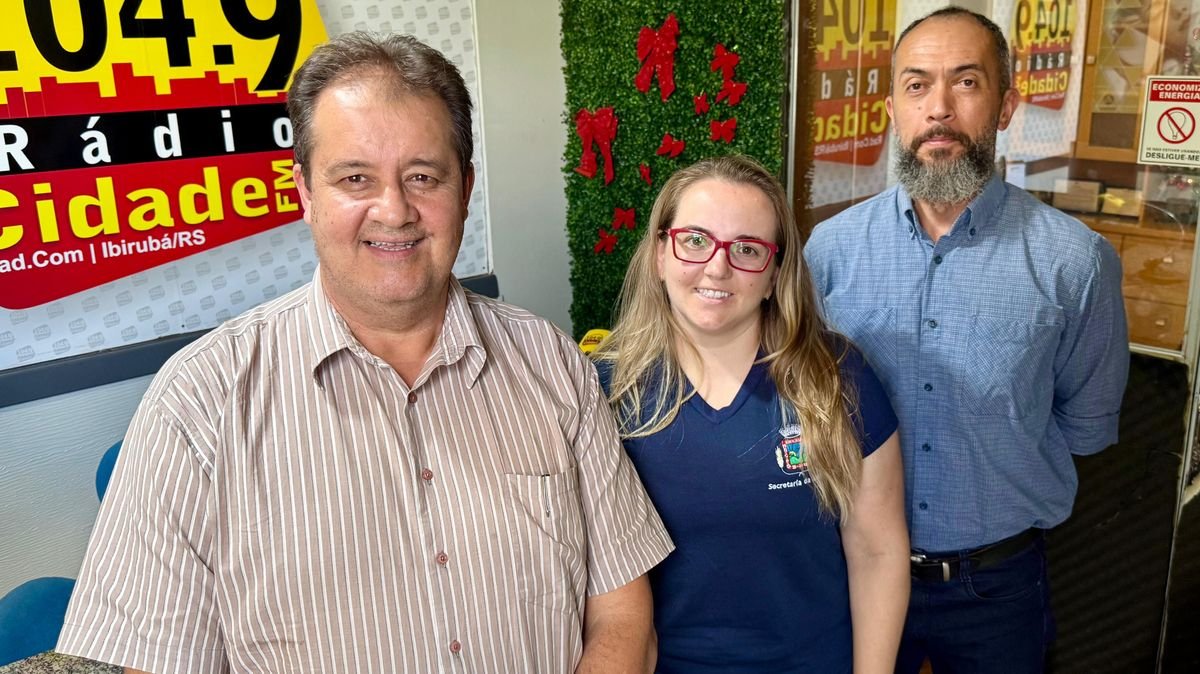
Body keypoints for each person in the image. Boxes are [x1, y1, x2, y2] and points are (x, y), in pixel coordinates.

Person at [56, 32, 673, 674]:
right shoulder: (197, 402)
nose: (394, 211)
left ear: (464, 189)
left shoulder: (551, 361)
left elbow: (623, 615)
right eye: (356, 178)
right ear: (305, 192)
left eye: (422, 177)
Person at [804, 7, 1130, 673]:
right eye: (916, 85)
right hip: (852, 569)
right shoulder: (830, 251)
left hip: (999, 587)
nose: (939, 109)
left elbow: (1084, 426)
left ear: (1006, 106)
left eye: (967, 82)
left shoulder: (1076, 263)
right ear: (892, 109)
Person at [592, 155, 909, 673]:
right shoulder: (605, 390)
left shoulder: (837, 377)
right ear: (659, 254)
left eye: (747, 249)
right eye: (695, 240)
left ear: (775, 274)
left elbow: (877, 552)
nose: (717, 267)